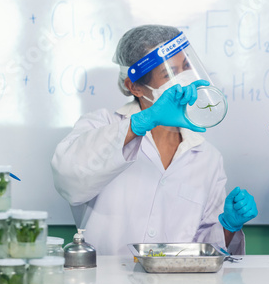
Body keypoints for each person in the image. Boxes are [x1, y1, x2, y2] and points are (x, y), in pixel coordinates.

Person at [51, 25, 258, 255]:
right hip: (106, 281)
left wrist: (228, 225)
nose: (184, 78)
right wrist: (142, 121)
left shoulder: (206, 156)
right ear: (135, 87)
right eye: (169, 73)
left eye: (186, 67)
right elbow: (69, 179)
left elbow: (206, 250)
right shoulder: (101, 125)